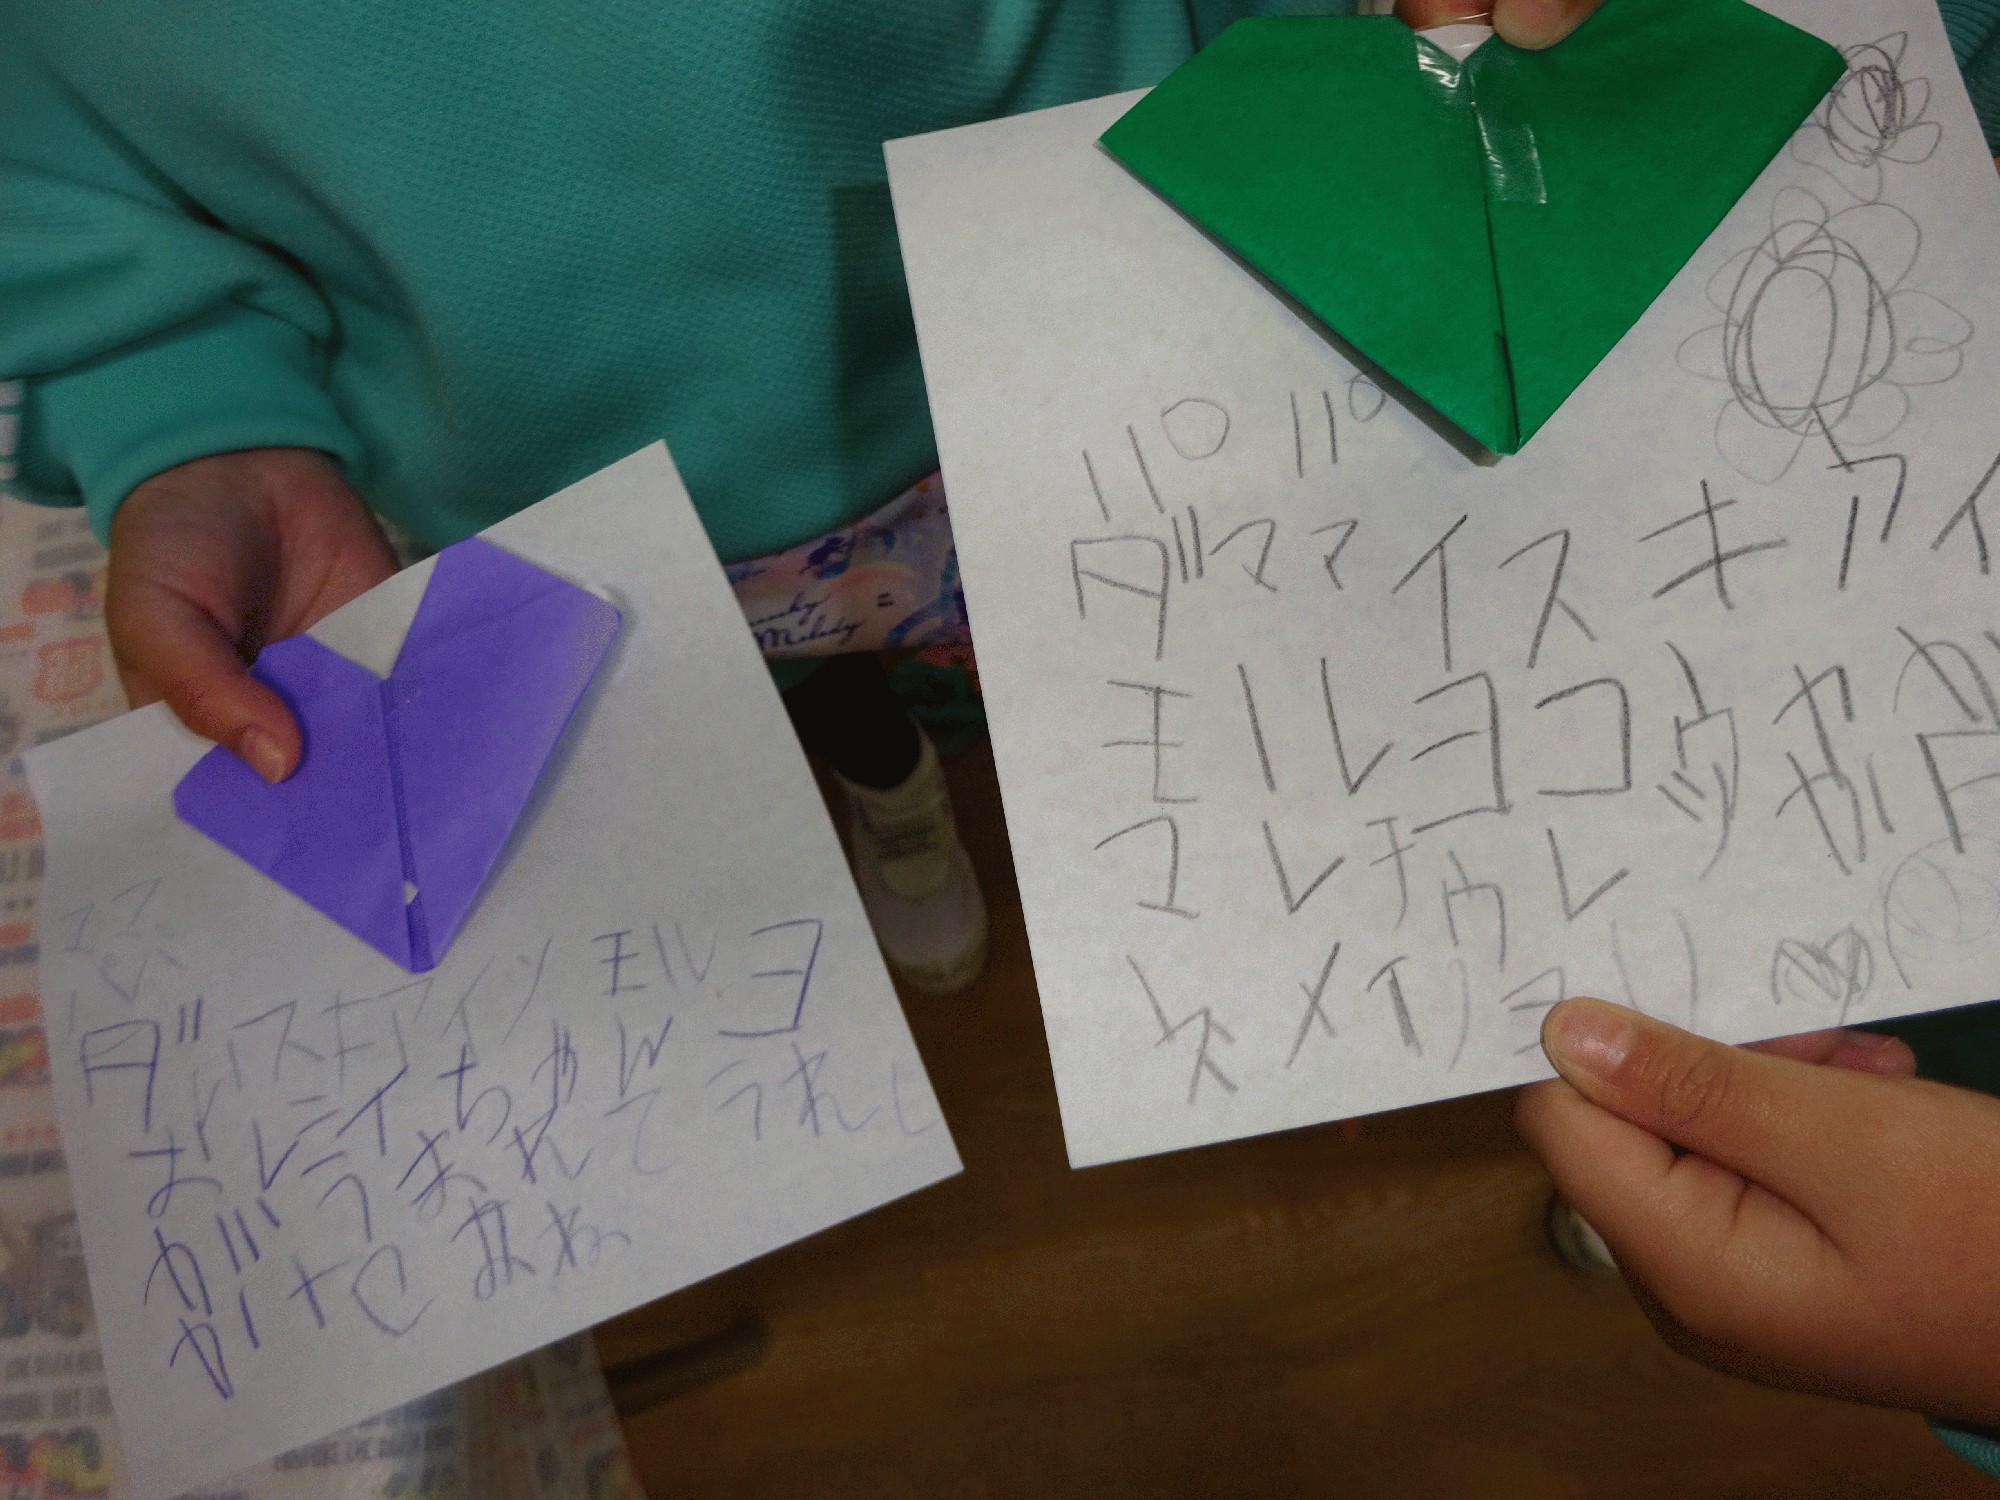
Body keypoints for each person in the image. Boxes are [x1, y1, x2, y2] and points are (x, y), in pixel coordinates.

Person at [8, 0, 2000, 1473]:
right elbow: (60, 167)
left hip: (1126, 340)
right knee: (797, 693)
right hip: (544, 501)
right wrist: (180, 388)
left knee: (1116, 689)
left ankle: (947, 772)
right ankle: (892, 785)